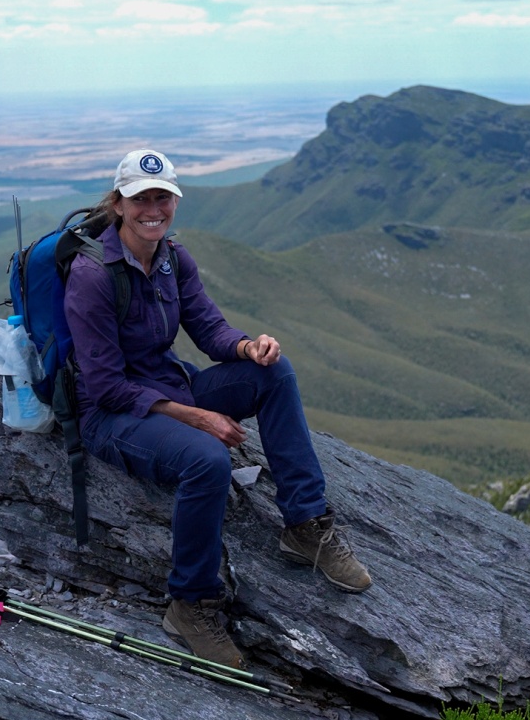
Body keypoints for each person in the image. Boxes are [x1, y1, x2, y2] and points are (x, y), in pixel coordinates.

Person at [63, 148, 371, 669]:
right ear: (118, 204)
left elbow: (208, 329)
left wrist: (248, 348)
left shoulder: (172, 260)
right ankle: (189, 603)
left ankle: (304, 525)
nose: (153, 208)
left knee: (275, 372)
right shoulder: (93, 276)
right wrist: (196, 417)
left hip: (170, 387)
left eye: (163, 196)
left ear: (175, 201)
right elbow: (107, 386)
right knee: (205, 459)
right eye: (141, 198)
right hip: (111, 415)